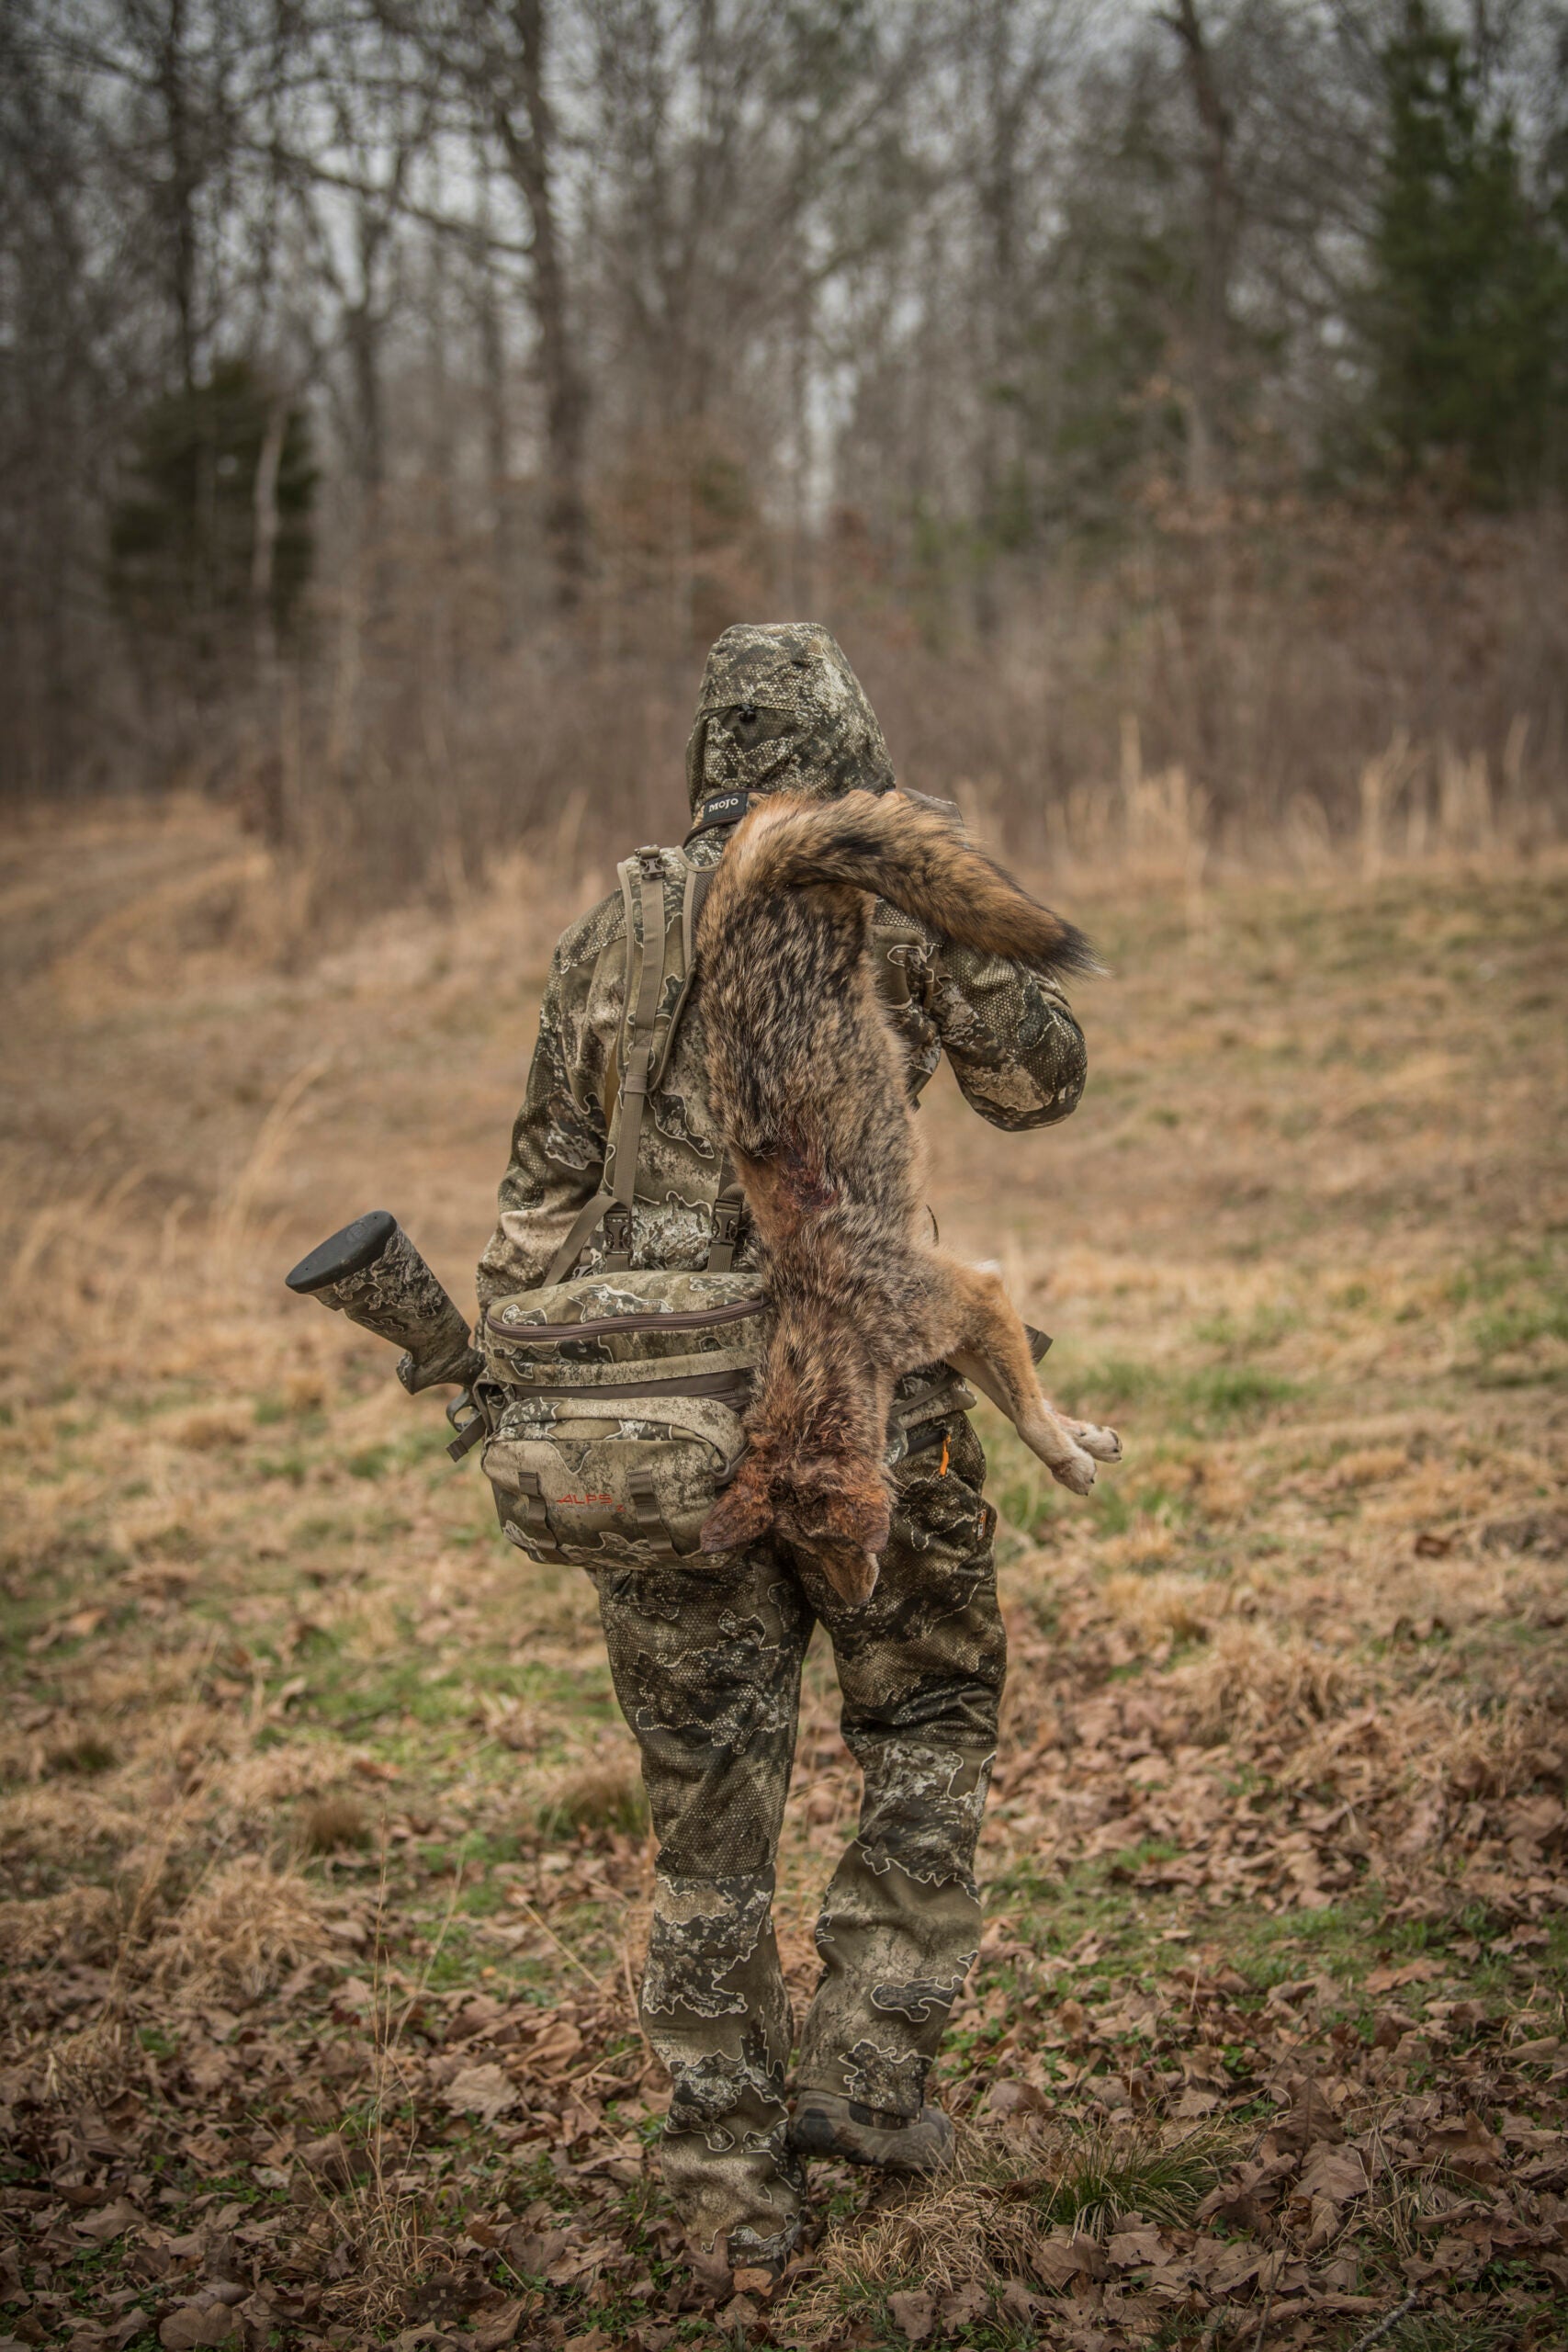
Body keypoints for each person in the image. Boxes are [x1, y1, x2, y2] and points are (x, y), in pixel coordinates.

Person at [476, 623, 1088, 2290]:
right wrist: (954, 911)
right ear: (851, 760)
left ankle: (722, 2192)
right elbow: (1039, 1083)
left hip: (657, 1437)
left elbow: (536, 1192)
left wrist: (523, 1382)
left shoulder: (610, 923)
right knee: (938, 1710)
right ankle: (872, 2074)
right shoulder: (882, 885)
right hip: (869, 1402)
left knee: (707, 1819)